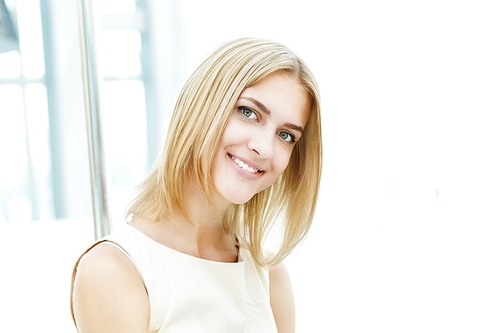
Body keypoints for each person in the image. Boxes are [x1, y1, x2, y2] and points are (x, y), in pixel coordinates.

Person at [70, 37, 322, 333]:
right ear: (202, 107)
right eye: (248, 112)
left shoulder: (269, 276)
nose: (264, 148)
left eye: (286, 135)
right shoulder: (114, 270)